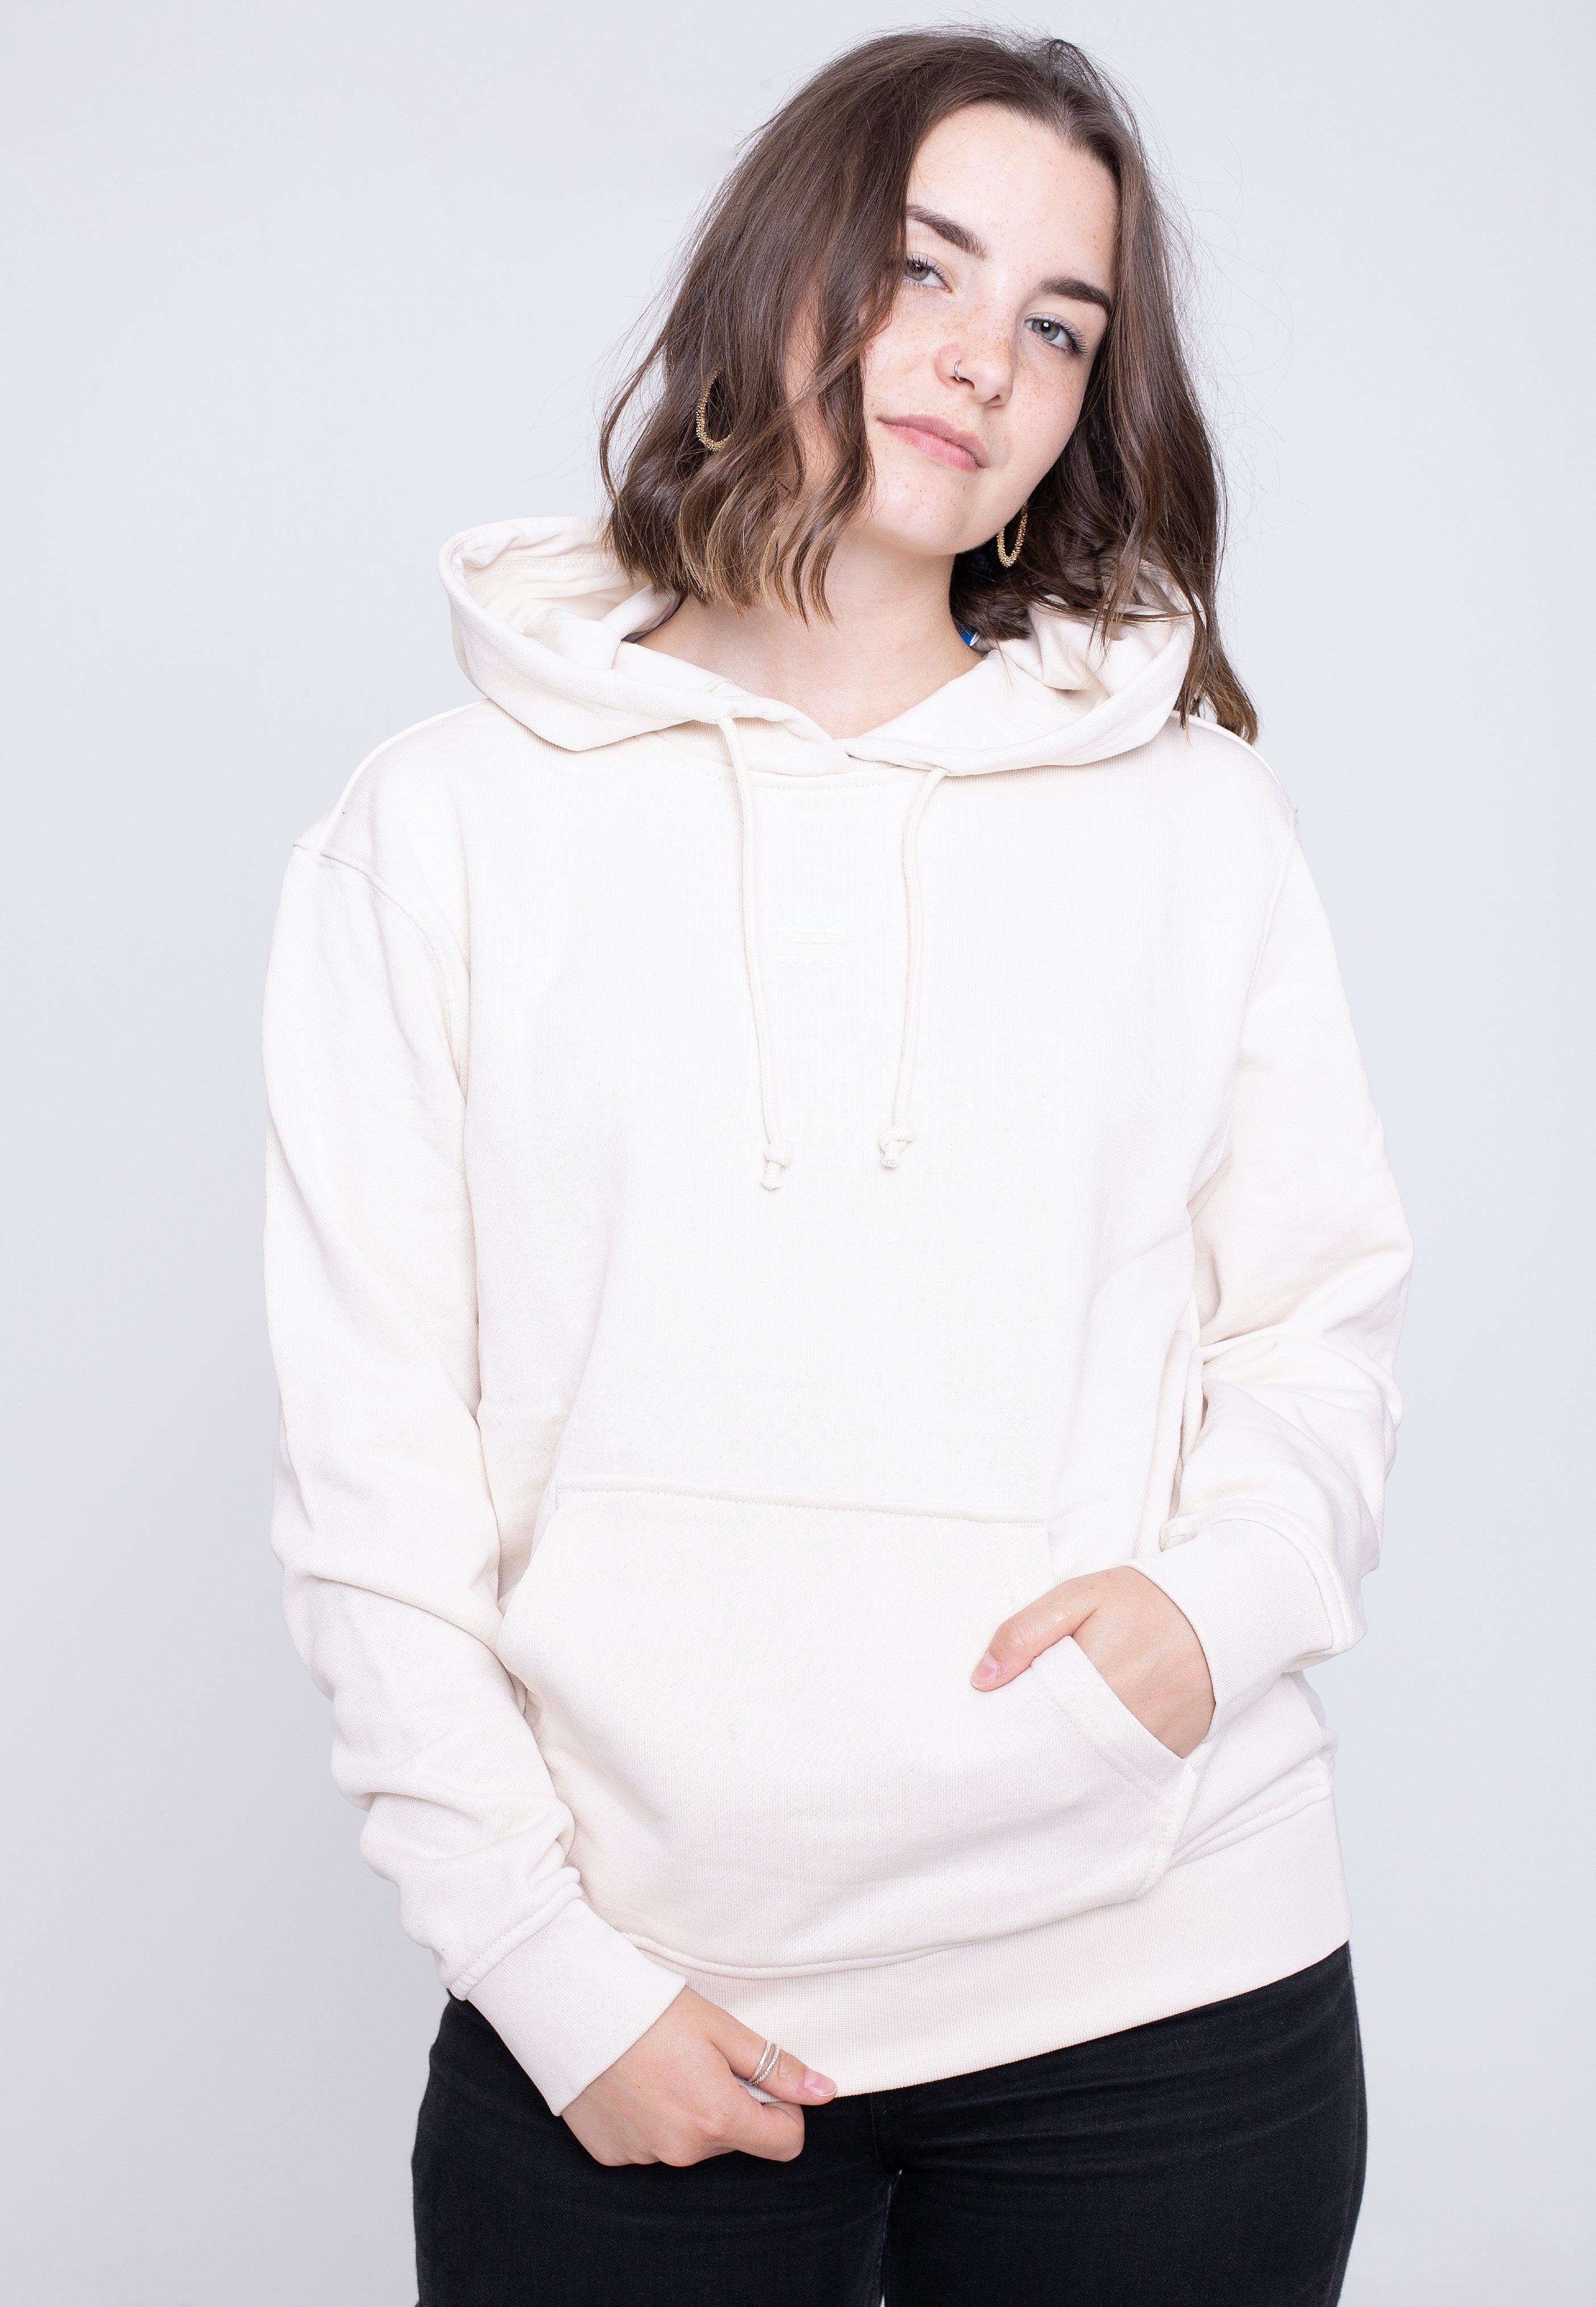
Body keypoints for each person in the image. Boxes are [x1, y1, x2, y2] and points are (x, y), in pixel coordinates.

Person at [263, 29, 1411, 2306]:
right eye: (925, 267)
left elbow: (1316, 1317)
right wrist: (545, 1971)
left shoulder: (1190, 817)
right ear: (776, 272)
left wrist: (1221, 1610)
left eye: (1060, 325)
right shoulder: (444, 827)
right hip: (639, 2001)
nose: (985, 360)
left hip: (1167, 1991)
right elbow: (372, 1468)